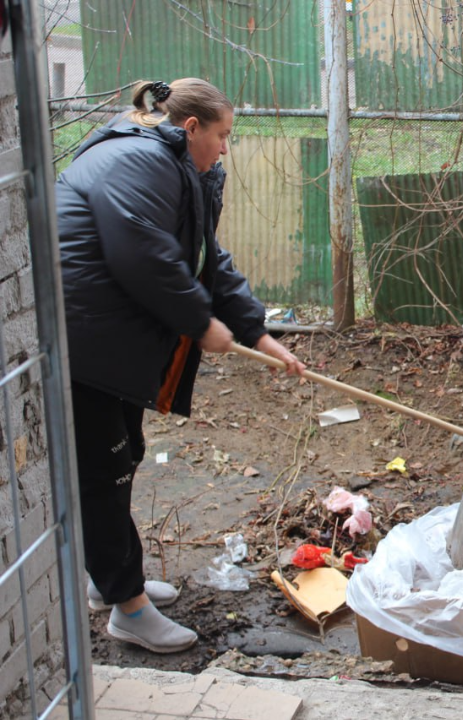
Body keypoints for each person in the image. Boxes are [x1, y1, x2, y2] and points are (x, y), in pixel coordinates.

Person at [56, 78, 306, 652]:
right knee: (105, 470)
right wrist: (199, 323)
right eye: (221, 135)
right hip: (77, 340)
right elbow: (144, 253)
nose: (225, 149)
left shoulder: (169, 168)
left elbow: (204, 256)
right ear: (190, 128)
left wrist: (255, 332)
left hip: (102, 338)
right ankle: (127, 607)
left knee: (125, 454)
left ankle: (109, 580)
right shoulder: (138, 162)